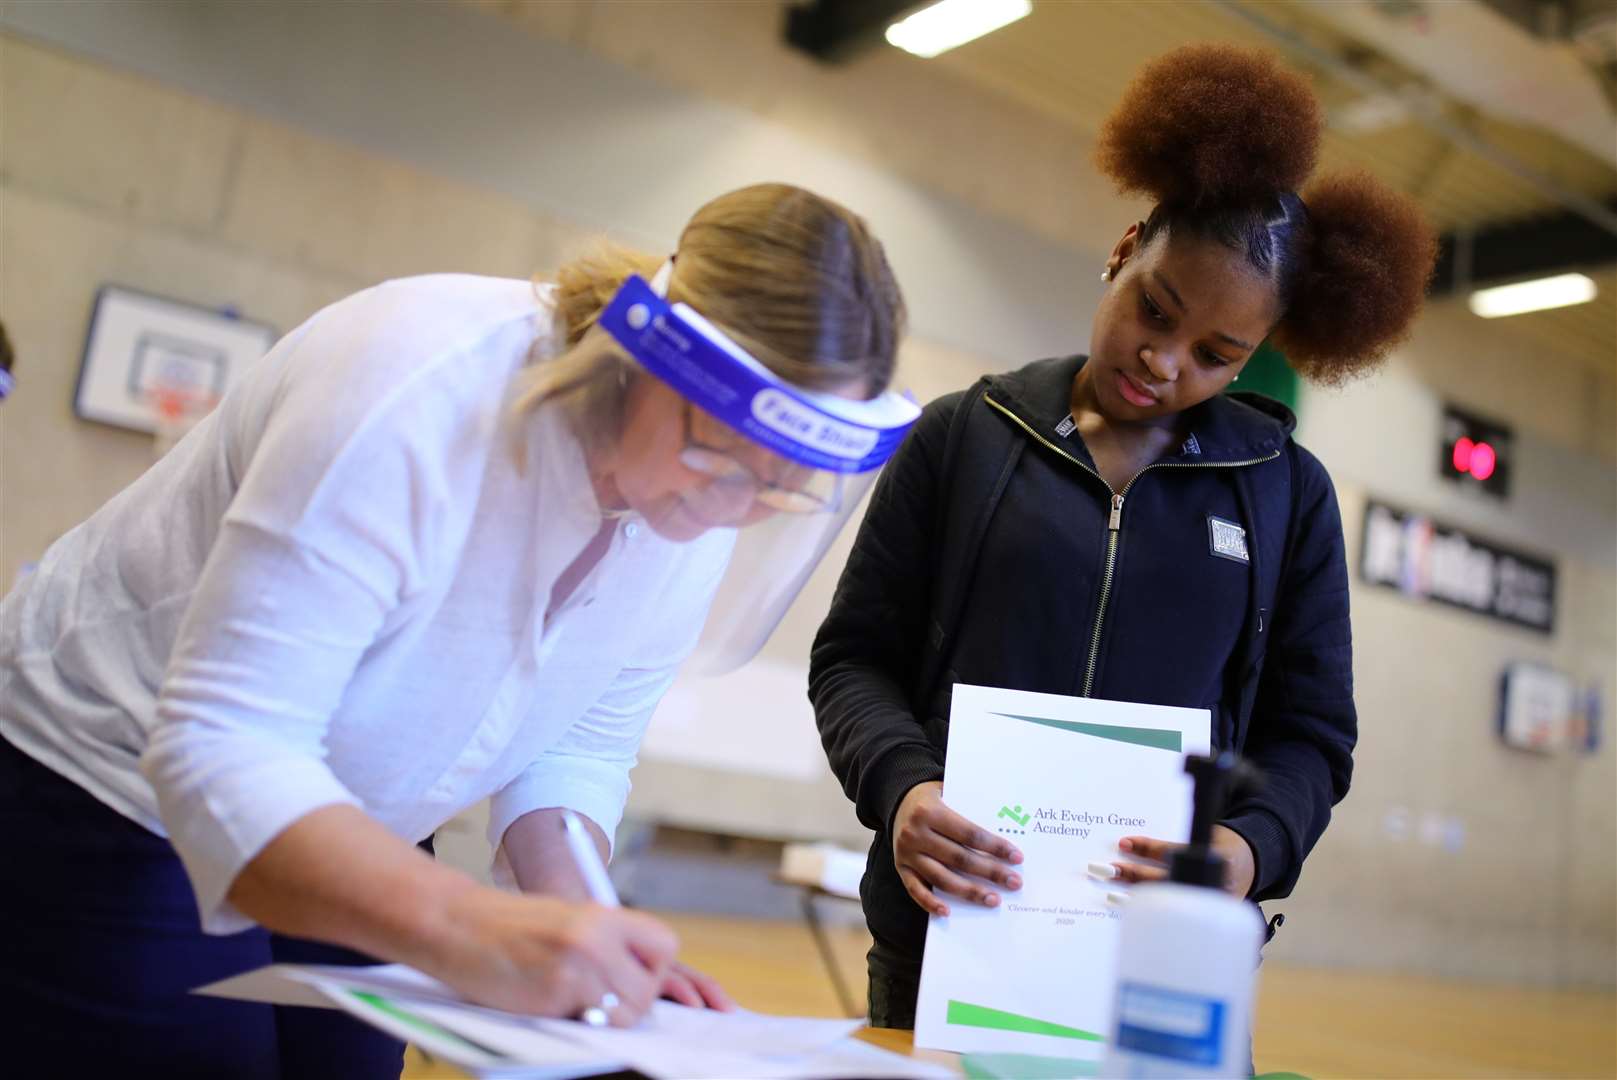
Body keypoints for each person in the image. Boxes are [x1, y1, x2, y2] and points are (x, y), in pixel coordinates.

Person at [0, 182, 917, 1078]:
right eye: (715, 449)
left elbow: (576, 741)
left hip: (358, 813)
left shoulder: (703, 495)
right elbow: (222, 747)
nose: (736, 504)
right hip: (109, 782)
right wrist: (473, 928)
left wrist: (587, 934)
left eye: (776, 482)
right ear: (637, 358)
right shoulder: (413, 385)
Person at [809, 44, 1437, 1029]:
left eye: (1216, 355)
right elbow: (854, 659)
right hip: (951, 934)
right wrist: (905, 789)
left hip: (1166, 953)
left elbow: (1310, 735)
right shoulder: (965, 435)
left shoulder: (1288, 496)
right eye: (1156, 308)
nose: (1163, 359)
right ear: (1126, 245)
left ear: (1253, 359)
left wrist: (1248, 849)